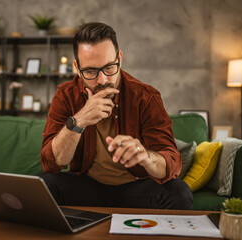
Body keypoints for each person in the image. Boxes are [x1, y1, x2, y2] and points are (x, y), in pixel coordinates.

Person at [40, 22, 192, 210]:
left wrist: (145, 156)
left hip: (135, 188)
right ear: (77, 68)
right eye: (90, 71)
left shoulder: (146, 97)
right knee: (43, 185)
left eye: (110, 67)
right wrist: (79, 121)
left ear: (119, 59)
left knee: (179, 192)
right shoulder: (65, 95)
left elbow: (171, 163)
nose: (102, 80)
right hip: (87, 187)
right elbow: (52, 164)